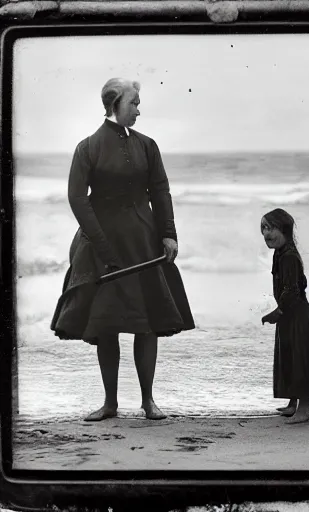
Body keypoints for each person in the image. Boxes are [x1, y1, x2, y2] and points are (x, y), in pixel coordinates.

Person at [51, 78, 195, 421]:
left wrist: (169, 235)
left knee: (146, 324)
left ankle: (148, 401)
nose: (139, 109)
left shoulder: (148, 146)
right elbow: (77, 199)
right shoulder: (88, 147)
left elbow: (161, 192)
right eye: (134, 103)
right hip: (100, 244)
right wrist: (101, 244)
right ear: (115, 103)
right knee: (106, 325)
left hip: (144, 243)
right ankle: (110, 403)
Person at [260, 208, 309, 424]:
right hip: (290, 314)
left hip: (296, 315)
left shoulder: (289, 256)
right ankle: (292, 403)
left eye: (271, 228)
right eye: (263, 229)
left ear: (285, 230)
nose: (266, 234)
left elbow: (292, 290)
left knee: (300, 360)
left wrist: (277, 312)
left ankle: (304, 408)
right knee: (288, 357)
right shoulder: (280, 253)